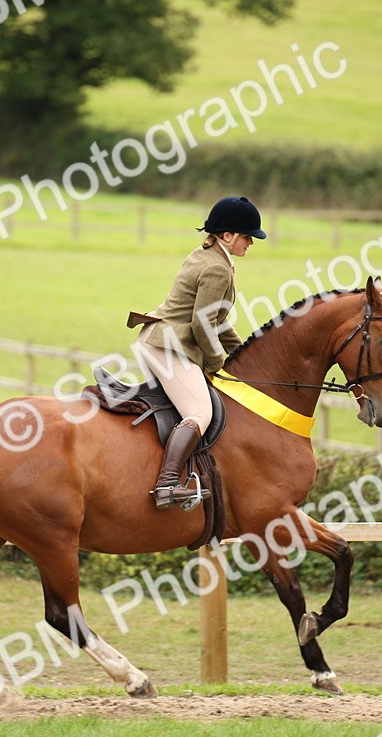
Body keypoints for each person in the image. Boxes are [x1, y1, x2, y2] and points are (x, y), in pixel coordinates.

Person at [127, 196, 266, 509]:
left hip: (159, 337)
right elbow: (203, 326)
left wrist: (245, 353)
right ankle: (166, 486)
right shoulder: (217, 269)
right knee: (200, 412)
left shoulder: (208, 255)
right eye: (247, 236)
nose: (250, 243)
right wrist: (219, 364)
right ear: (227, 235)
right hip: (169, 346)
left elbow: (217, 321)